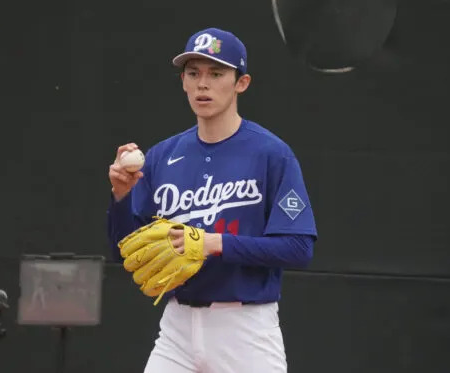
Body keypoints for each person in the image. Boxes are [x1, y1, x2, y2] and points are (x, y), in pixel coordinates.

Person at [107, 27, 318, 373]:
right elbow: (122, 252)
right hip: (177, 328)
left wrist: (214, 244)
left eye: (216, 73)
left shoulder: (271, 155)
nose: (203, 84)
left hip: (245, 328)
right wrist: (121, 196)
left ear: (241, 83)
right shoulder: (163, 156)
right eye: (194, 73)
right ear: (184, 82)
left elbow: (298, 248)